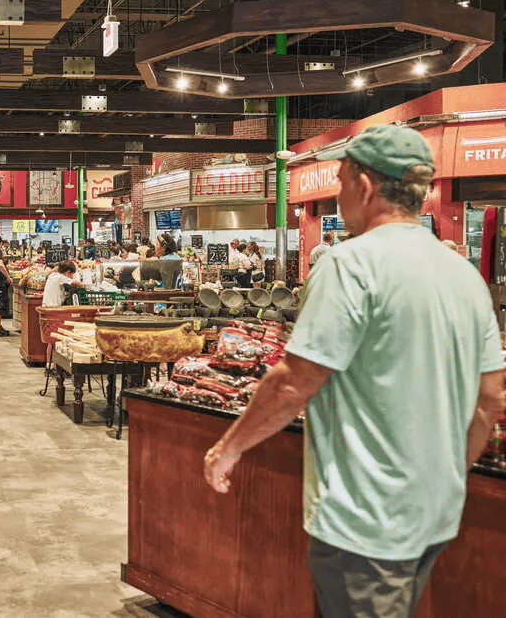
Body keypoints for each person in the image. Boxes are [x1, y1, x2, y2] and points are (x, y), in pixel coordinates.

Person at [203, 125, 506, 618]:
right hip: (435, 514)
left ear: (364, 186)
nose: (339, 196)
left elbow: (293, 383)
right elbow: (490, 399)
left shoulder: (350, 265)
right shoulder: (464, 276)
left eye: (341, 182)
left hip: (365, 520)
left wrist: (229, 447)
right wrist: (448, 475)